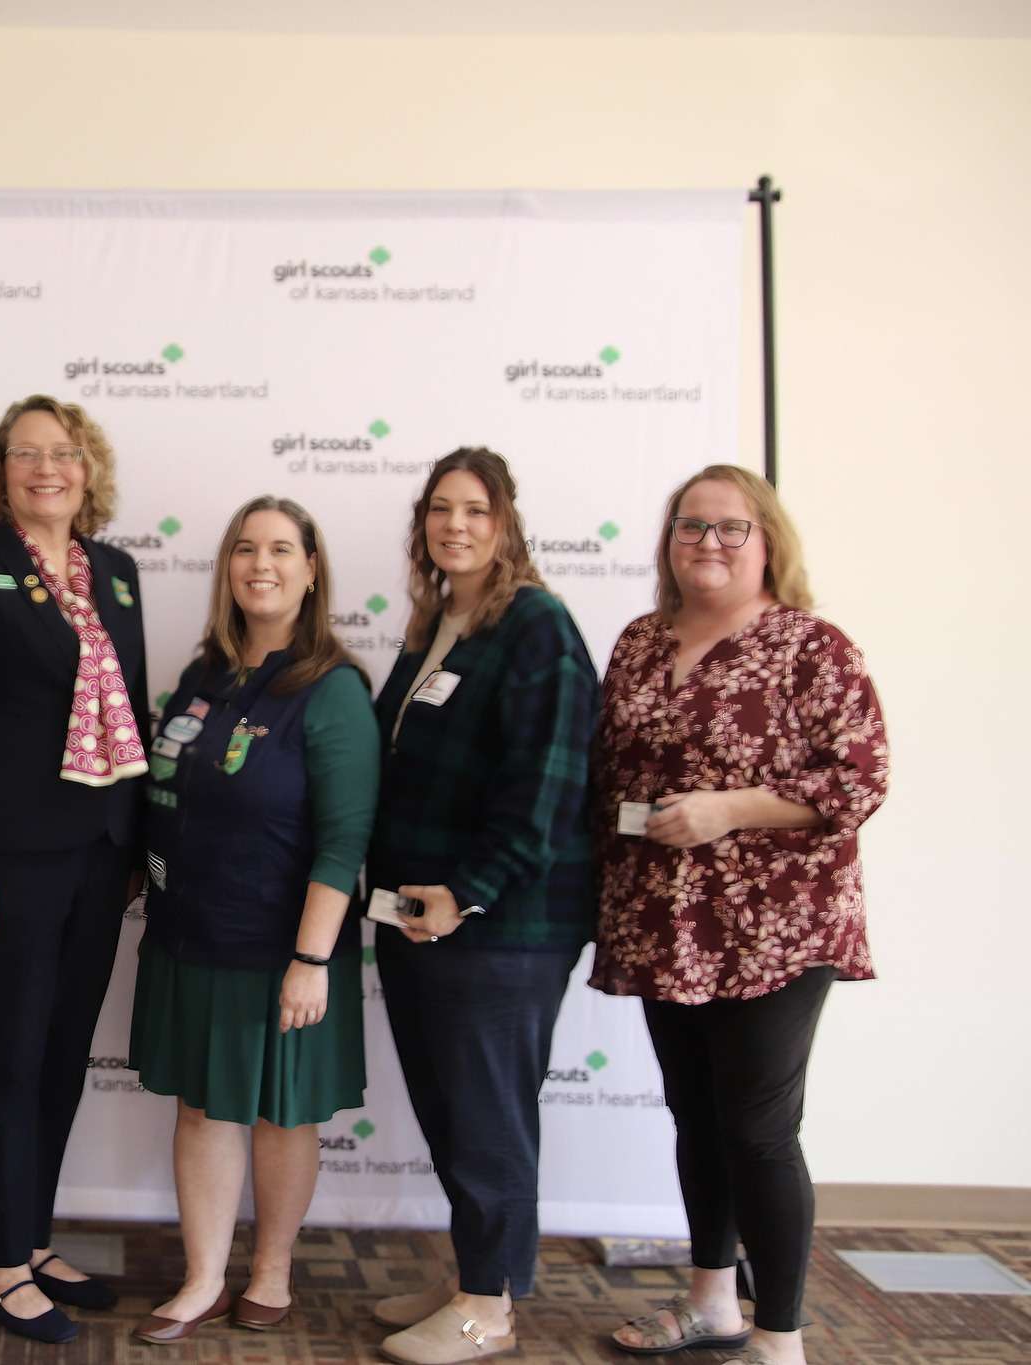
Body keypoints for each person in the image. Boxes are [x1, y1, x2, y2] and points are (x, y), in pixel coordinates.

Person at [595, 466, 887, 1365]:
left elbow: (860, 778)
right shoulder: (641, 641)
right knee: (696, 1114)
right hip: (665, 920)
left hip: (780, 925)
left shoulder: (812, 646)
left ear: (768, 542)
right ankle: (712, 1299)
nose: (709, 544)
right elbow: (612, 776)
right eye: (691, 527)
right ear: (668, 543)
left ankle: (780, 1334)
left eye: (731, 528)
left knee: (759, 1129)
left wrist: (731, 807)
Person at [0, 394, 149, 1346]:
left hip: (98, 858)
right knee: (3, 1060)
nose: (45, 468)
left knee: (59, 1059)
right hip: (4, 866)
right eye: (24, 454)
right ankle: (0, 1259)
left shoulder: (119, 574)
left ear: (88, 468)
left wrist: (130, 850)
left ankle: (33, 1233)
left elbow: (129, 708)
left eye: (63, 452)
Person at [365, 448, 599, 1365]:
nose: (453, 525)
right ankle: (474, 1270)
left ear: (506, 524)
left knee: (488, 1110)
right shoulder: (437, 624)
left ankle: (488, 1307)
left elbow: (546, 784)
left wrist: (469, 892)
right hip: (419, 918)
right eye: (438, 509)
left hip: (500, 927)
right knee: (452, 1108)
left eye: (474, 510)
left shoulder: (534, 625)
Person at [128, 496, 380, 1346]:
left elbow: (345, 840)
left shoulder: (334, 688)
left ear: (311, 571)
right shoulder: (204, 674)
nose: (259, 564)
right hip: (190, 934)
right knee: (202, 1109)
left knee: (282, 1111)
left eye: (280, 549)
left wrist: (312, 957)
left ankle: (271, 1269)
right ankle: (202, 1276)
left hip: (285, 948)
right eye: (244, 549)